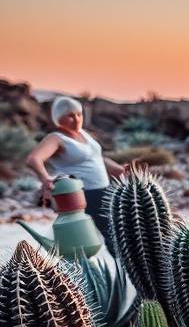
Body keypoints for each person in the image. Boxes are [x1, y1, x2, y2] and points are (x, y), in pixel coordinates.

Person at [25, 96, 125, 241]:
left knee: (116, 233)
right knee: (108, 235)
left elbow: (97, 158)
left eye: (79, 114)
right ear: (58, 118)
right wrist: (45, 179)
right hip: (82, 194)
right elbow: (33, 159)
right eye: (70, 116)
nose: (77, 119)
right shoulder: (56, 138)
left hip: (105, 190)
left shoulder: (84, 134)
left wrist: (119, 169)